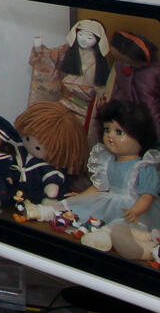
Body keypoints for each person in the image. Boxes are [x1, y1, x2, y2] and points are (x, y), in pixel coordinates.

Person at [65, 99, 160, 231]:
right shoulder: (108, 161)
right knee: (81, 215)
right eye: (107, 129)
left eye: (119, 132)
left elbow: (147, 196)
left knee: (122, 228)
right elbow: (99, 187)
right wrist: (82, 197)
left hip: (131, 208)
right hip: (108, 203)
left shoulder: (143, 166)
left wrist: (135, 211)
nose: (110, 136)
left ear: (139, 136)